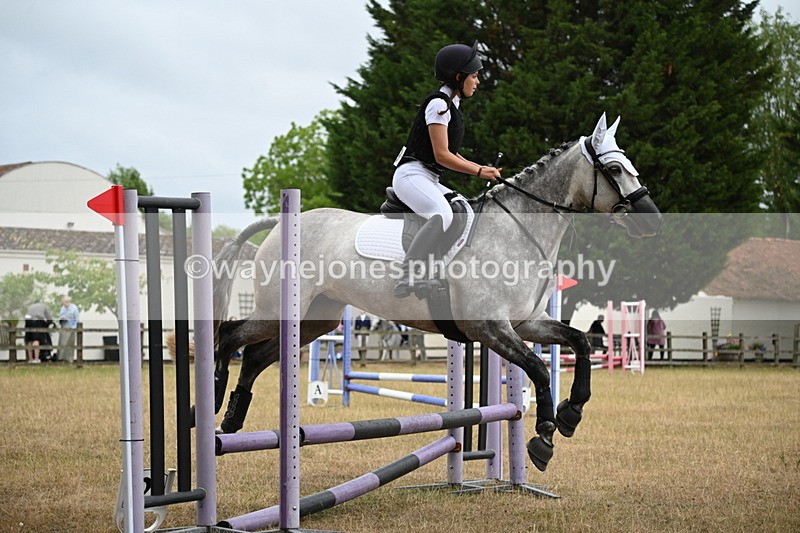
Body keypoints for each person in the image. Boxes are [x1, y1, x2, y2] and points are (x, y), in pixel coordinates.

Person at [392, 41, 502, 298]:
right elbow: (442, 156)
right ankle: (409, 274)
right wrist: (477, 172)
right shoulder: (438, 105)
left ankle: (435, 267)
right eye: (474, 76)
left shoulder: (452, 105)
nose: (477, 82)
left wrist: (482, 168)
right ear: (458, 77)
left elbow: (449, 152)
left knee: (462, 208)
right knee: (441, 212)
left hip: (427, 176)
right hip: (411, 175)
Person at [56, 296, 80, 363]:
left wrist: (76, 327)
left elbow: (77, 318)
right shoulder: (62, 308)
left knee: (70, 343)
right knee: (63, 343)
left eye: (67, 302)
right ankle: (61, 359)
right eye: (64, 302)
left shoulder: (74, 308)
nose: (65, 304)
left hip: (72, 327)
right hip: (64, 326)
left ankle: (70, 359)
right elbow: (59, 317)